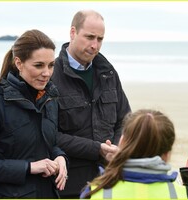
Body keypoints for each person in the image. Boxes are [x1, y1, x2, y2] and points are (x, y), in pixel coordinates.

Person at [0, 29, 68, 198]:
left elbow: (48, 144)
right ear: (19, 63)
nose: (47, 73)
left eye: (51, 65)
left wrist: (60, 157)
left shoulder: (50, 99)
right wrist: (29, 167)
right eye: (39, 65)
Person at [51, 10, 131, 198]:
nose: (95, 45)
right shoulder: (51, 77)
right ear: (73, 32)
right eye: (89, 37)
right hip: (68, 185)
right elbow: (48, 134)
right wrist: (97, 149)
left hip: (110, 181)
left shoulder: (108, 73)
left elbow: (126, 119)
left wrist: (117, 148)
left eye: (100, 39)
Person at [80, 109, 188, 199]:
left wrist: (116, 162)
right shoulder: (182, 195)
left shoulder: (95, 192)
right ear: (167, 154)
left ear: (122, 142)